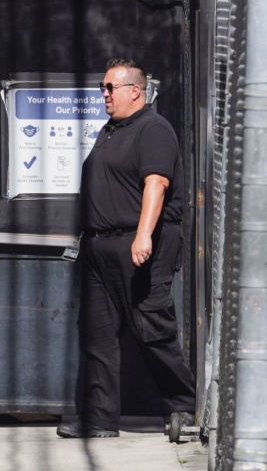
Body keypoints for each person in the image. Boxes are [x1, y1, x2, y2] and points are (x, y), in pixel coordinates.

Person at [56, 59, 196, 439]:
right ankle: (100, 420)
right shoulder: (111, 130)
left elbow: (156, 185)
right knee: (97, 336)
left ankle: (184, 405)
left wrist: (143, 234)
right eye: (102, 87)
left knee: (152, 329)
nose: (103, 94)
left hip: (139, 245)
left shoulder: (153, 129)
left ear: (135, 91)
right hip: (100, 248)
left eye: (109, 87)